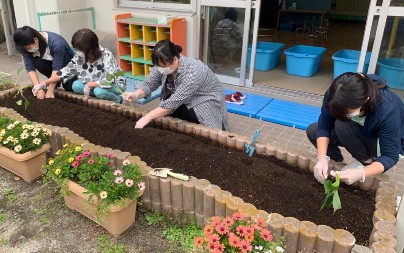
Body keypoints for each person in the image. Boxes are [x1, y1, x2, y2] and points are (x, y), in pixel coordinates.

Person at [306, 72, 404, 185]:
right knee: (313, 131)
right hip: (359, 130)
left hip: (385, 142)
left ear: (365, 100)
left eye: (348, 112)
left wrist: (361, 173)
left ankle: (367, 163)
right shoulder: (337, 92)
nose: (342, 115)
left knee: (342, 125)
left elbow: (390, 156)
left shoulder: (387, 110)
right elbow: (324, 126)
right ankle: (337, 165)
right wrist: (322, 158)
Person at [123, 39, 228, 130]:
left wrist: (148, 117)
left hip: (203, 99)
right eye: (159, 66)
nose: (161, 69)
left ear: (175, 59)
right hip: (180, 100)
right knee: (169, 112)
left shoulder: (193, 70)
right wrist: (136, 94)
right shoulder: (162, 64)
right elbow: (149, 84)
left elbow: (174, 102)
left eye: (163, 66)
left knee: (201, 123)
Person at [40, 29, 126, 103]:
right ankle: (99, 97)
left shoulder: (106, 55)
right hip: (93, 83)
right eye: (76, 49)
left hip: (115, 83)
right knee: (76, 86)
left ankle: (119, 100)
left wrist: (90, 85)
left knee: (99, 91)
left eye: (80, 49)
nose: (78, 52)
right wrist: (44, 83)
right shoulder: (80, 56)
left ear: (90, 49)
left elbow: (109, 81)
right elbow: (65, 71)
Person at [13, 26, 75, 99]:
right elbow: (30, 68)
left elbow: (57, 68)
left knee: (70, 86)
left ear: (36, 40)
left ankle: (57, 82)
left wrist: (50, 91)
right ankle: (54, 82)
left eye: (28, 48)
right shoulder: (24, 45)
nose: (27, 50)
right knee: (38, 62)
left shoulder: (57, 43)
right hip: (50, 64)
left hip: (67, 64)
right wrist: (38, 88)